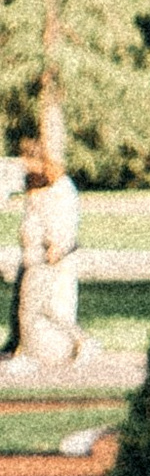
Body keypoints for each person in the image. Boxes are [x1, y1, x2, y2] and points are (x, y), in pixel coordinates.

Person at [6, 145, 82, 371]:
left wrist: (56, 246)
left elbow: (59, 225)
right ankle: (25, 351)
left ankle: (76, 344)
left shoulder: (58, 190)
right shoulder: (37, 188)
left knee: (38, 310)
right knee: (31, 310)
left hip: (43, 258)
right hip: (31, 257)